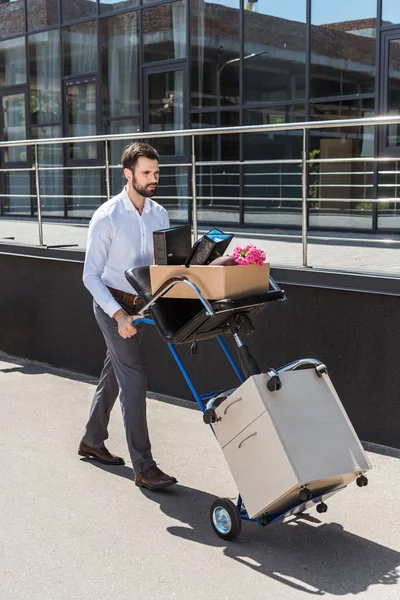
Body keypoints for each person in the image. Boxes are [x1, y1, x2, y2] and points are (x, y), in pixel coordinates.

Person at [79, 142, 177, 491]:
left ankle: (92, 439)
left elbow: (162, 267)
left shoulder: (159, 214)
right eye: (147, 173)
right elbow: (90, 276)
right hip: (111, 306)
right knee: (134, 378)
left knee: (117, 374)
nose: (154, 179)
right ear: (128, 174)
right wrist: (120, 315)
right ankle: (144, 467)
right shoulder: (107, 216)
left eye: (157, 172)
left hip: (143, 305)